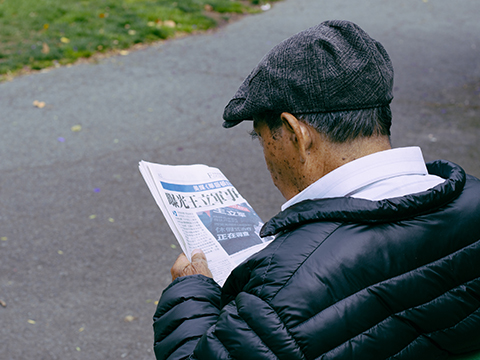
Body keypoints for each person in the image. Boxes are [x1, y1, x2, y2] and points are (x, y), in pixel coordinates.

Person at [152, 20, 480, 359]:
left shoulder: (284, 288)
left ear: (297, 134)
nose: (265, 154)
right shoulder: (473, 200)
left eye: (261, 137)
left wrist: (190, 294)